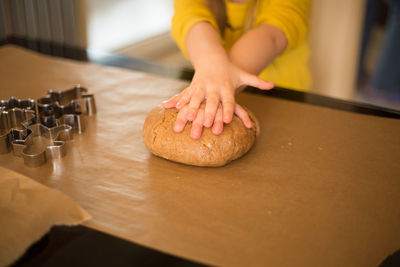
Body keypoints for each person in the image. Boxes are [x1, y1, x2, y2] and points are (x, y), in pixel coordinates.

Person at [162, 0, 311, 139]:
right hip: (214, 92)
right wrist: (212, 71)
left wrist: (219, 83)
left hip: (283, 101)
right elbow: (190, 18)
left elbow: (272, 34)